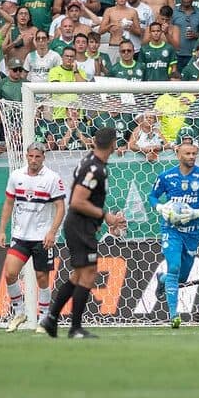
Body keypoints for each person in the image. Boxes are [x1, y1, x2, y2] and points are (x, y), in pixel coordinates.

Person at [40, 128, 127, 339]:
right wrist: (105, 216)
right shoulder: (94, 168)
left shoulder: (91, 161)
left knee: (79, 275)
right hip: (80, 226)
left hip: (81, 226)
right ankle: (74, 328)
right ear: (114, 144)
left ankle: (51, 319)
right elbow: (77, 201)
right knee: (88, 274)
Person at [149, 141, 199, 329]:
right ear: (178, 154)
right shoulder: (166, 176)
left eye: (194, 154)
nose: (191, 157)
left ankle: (162, 280)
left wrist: (197, 213)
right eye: (187, 153)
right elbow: (152, 196)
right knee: (174, 266)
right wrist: (160, 207)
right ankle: (174, 316)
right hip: (170, 229)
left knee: (182, 278)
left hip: (193, 232)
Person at [0, 142, 66, 333]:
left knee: (42, 278)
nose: (34, 160)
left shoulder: (52, 178)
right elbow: (8, 203)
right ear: (26, 156)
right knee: (10, 273)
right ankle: (19, 312)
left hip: (42, 237)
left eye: (37, 157)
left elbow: (61, 207)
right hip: (20, 236)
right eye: (31, 156)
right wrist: (2, 230)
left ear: (43, 157)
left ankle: (44, 318)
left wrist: (52, 232)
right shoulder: (16, 176)